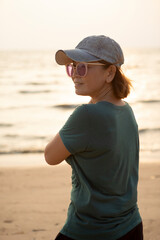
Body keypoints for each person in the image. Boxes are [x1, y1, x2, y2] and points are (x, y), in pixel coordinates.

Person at [44, 35, 143, 240]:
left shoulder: (87, 115)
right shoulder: (127, 111)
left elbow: (50, 156)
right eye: (72, 67)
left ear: (110, 73)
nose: (74, 75)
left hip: (91, 230)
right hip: (131, 225)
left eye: (83, 67)